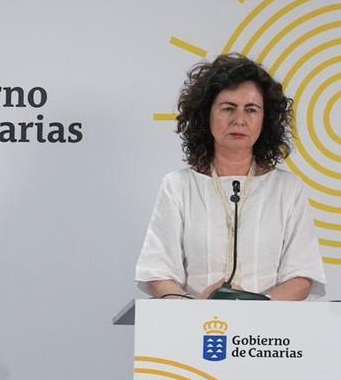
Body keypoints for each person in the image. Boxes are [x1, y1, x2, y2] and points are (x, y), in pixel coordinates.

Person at [135, 53, 325, 300]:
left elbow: (301, 276)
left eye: (251, 110)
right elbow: (158, 271)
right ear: (206, 115)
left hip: (268, 334)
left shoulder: (287, 188)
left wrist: (252, 313)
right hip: (194, 328)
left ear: (264, 119)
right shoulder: (179, 186)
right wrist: (192, 311)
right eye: (228, 109)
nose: (239, 120)